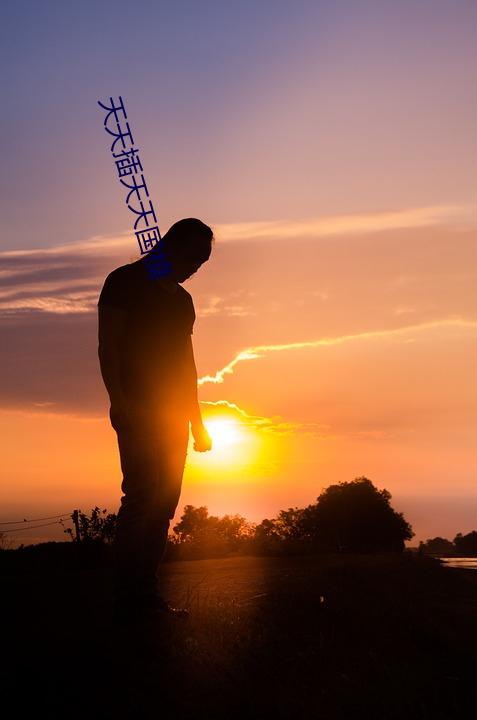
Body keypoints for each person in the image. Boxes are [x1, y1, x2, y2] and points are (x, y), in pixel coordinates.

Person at [98, 218, 213, 624]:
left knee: (163, 506)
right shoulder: (125, 281)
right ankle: (127, 599)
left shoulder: (183, 302)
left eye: (204, 261)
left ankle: (146, 595)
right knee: (141, 497)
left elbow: (187, 367)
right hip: (138, 407)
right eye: (194, 257)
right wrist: (118, 401)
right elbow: (108, 345)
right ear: (172, 246)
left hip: (173, 417)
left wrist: (198, 422)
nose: (197, 267)